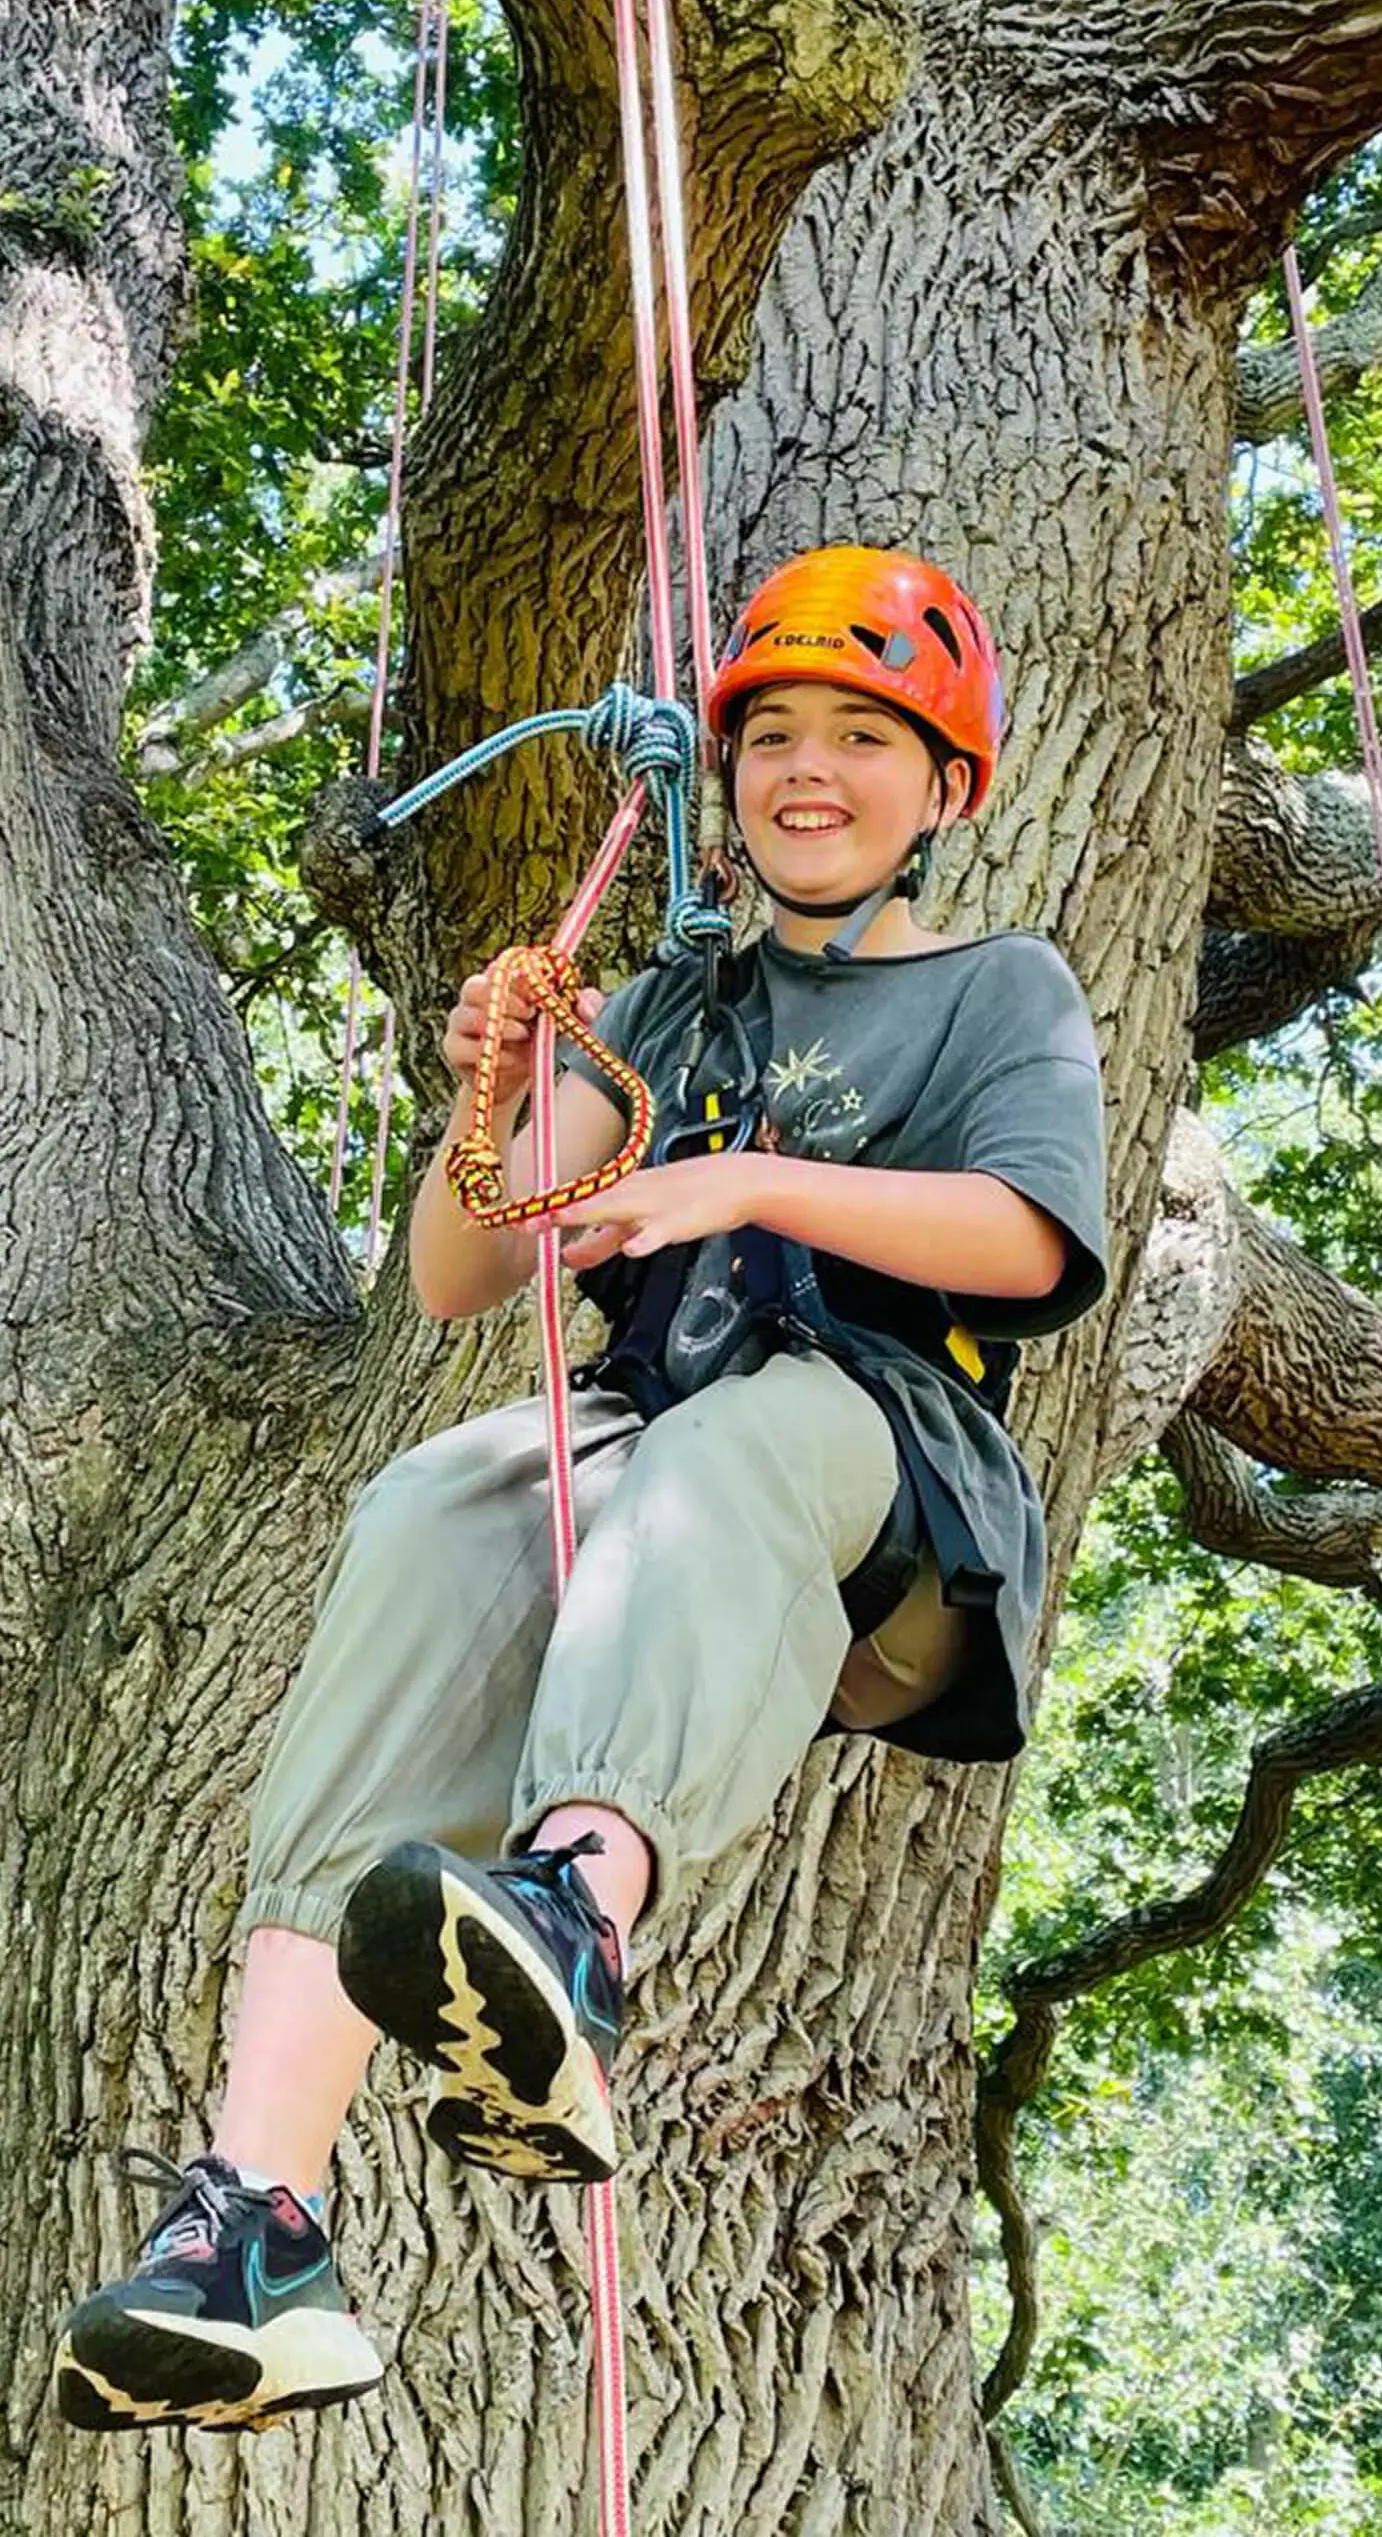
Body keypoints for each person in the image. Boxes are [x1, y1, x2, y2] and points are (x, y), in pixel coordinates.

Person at [55, 545, 1107, 2433]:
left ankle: (574, 1910)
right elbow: (467, 1275)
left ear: (943, 787)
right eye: (770, 732)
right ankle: (256, 2230)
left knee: (728, 1445)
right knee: (435, 1509)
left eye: (862, 736)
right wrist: (504, 1089)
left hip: (871, 1453)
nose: (805, 767)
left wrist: (745, 1185)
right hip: (642, 1435)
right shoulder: (667, 1008)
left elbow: (1024, 1236)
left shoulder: (993, 990)